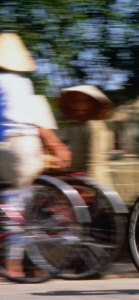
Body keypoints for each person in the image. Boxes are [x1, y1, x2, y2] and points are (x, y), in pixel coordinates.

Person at [0, 32, 71, 276]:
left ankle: (12, 263)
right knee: (17, 199)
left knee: (12, 204)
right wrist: (55, 145)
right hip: (29, 147)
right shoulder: (25, 83)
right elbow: (38, 122)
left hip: (8, 148)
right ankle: (16, 262)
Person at [57, 85, 114, 186]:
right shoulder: (74, 126)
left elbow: (95, 161)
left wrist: (89, 185)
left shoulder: (95, 126)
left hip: (92, 181)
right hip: (74, 179)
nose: (78, 105)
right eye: (74, 101)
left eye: (84, 102)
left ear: (94, 105)